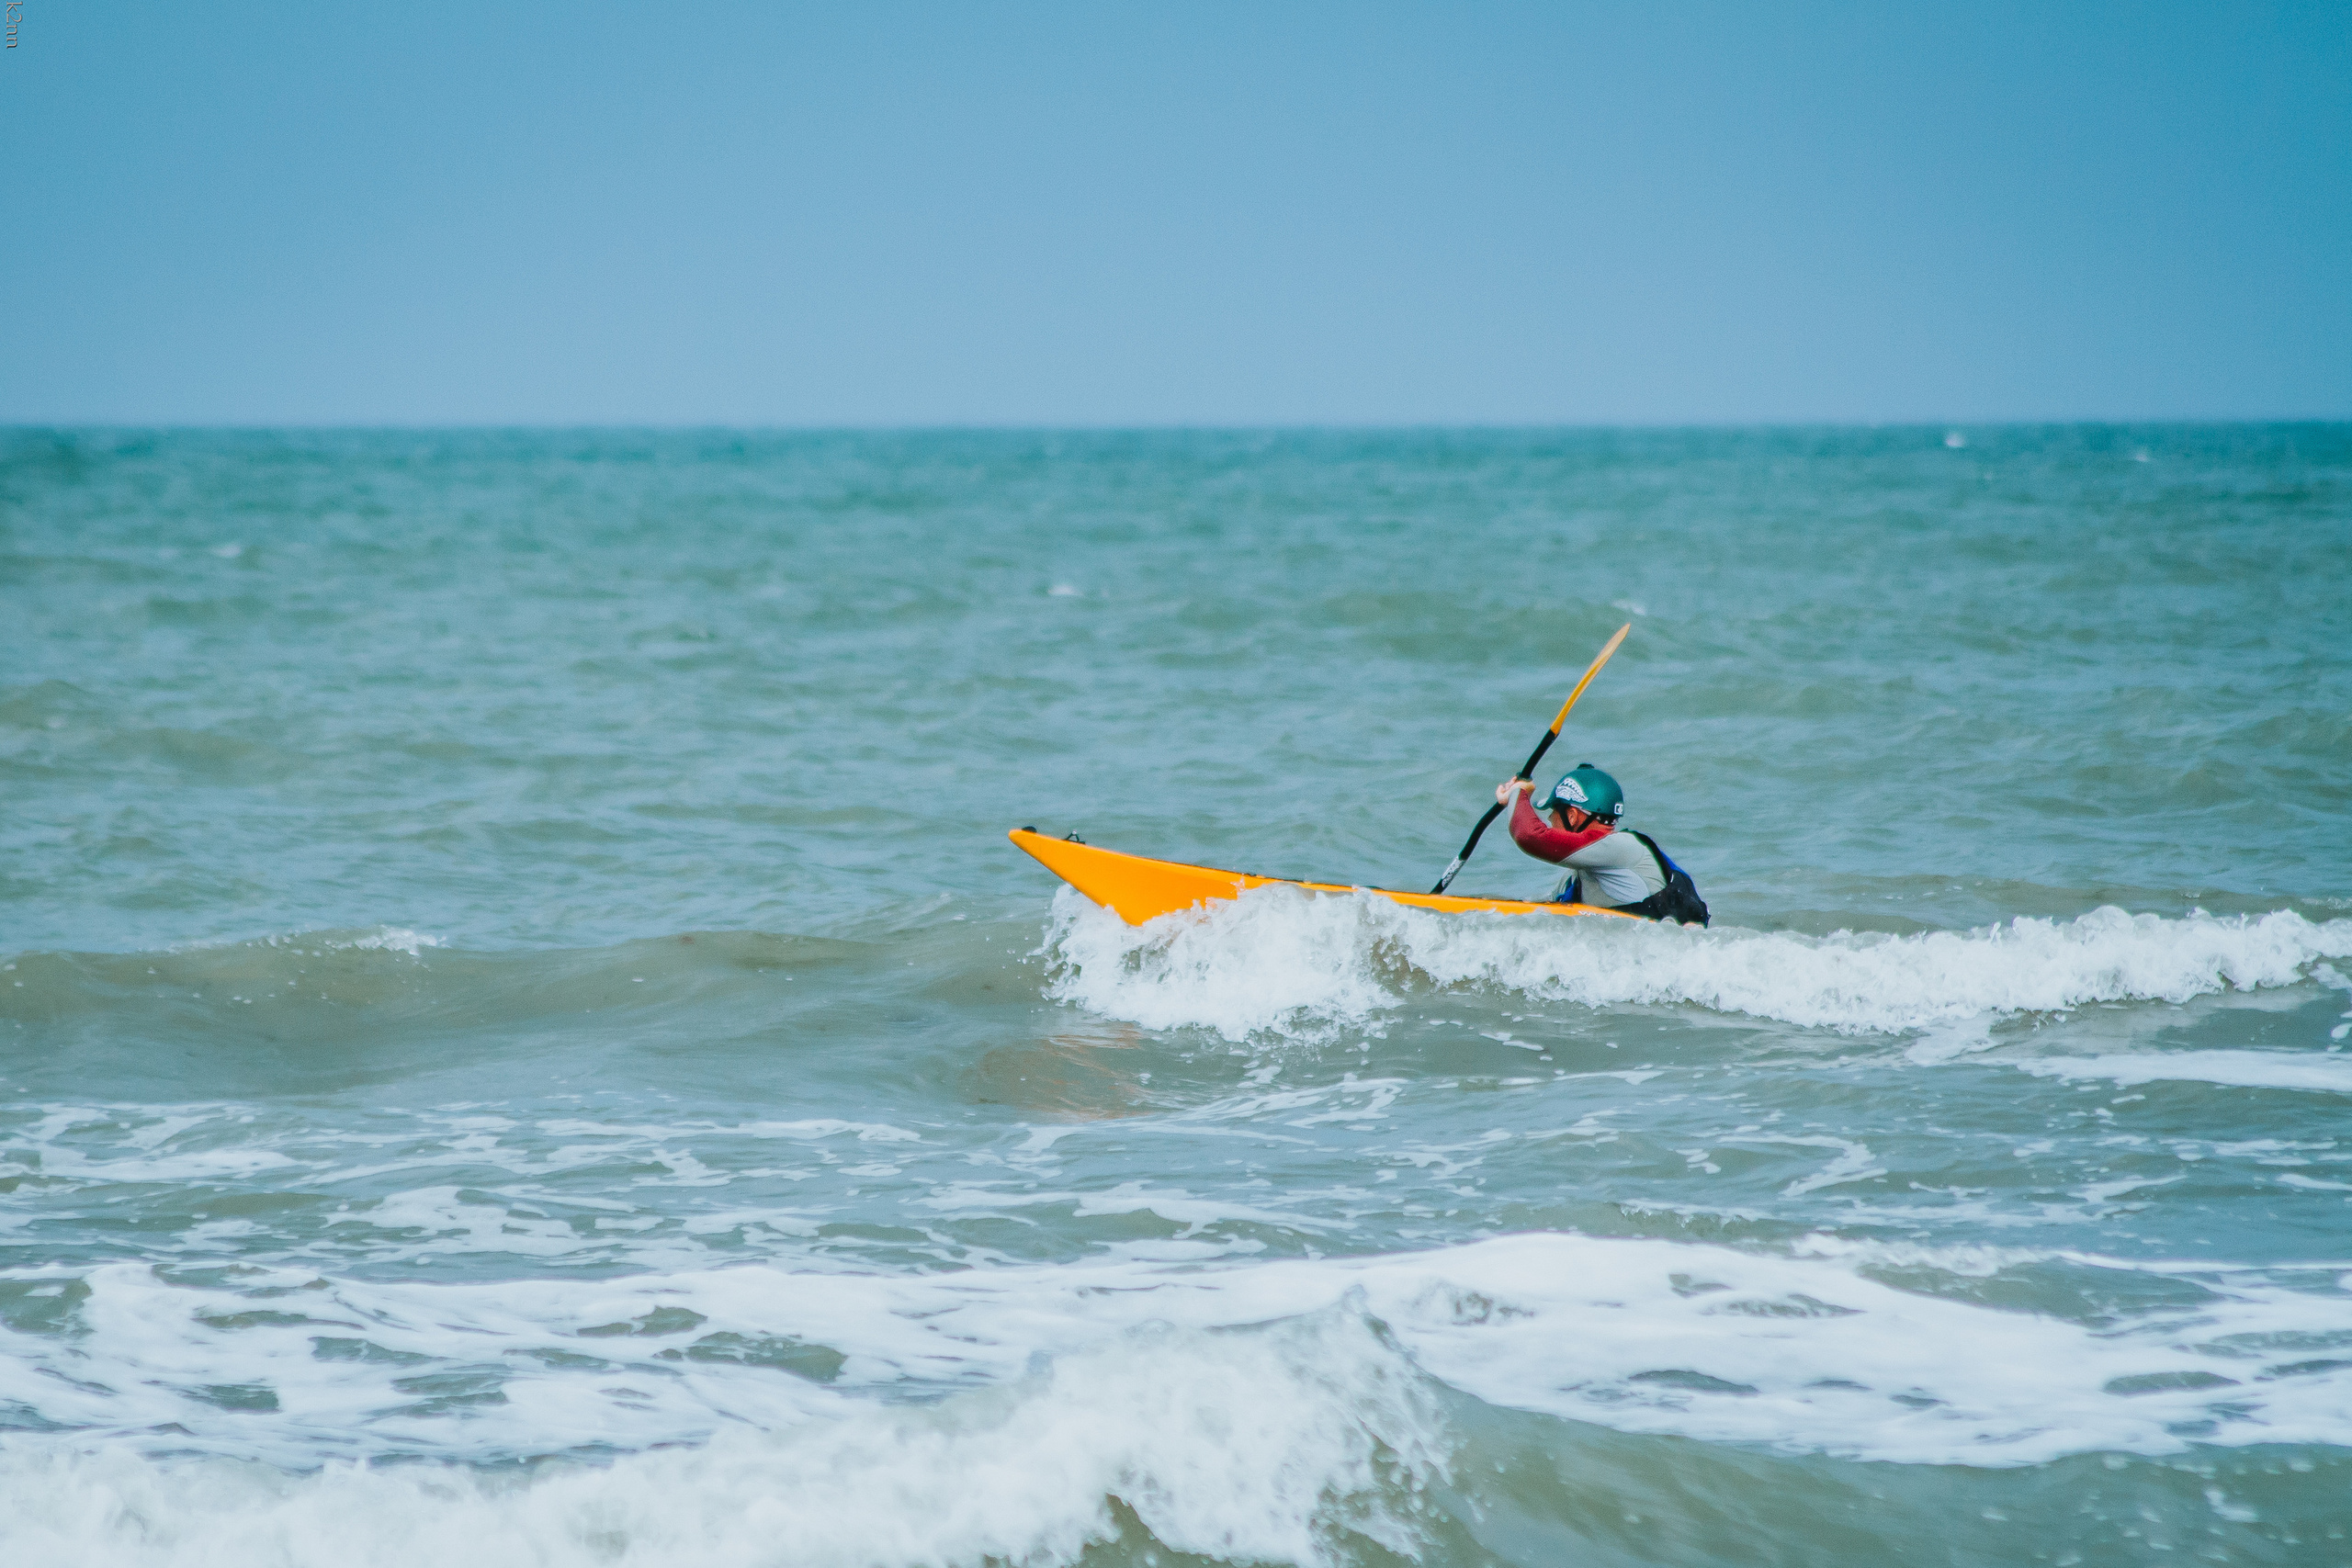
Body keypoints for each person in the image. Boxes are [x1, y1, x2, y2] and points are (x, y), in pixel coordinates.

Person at [1494, 763, 1709, 924]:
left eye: (1553, 812)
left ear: (1572, 816)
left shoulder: (1623, 849)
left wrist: (1518, 793)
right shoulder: (1575, 880)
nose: (1550, 820)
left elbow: (1529, 835)